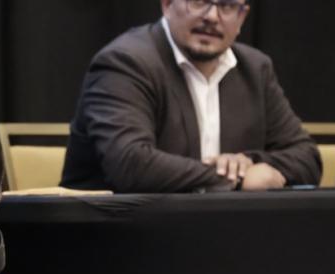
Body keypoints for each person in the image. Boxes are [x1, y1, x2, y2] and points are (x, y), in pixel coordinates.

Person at [60, 0, 321, 194]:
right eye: (199, 2)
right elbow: (131, 164)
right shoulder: (125, 62)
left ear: (242, 18)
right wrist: (238, 180)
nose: (212, 16)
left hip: (219, 238)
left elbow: (307, 158)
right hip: (118, 241)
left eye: (227, 6)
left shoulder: (254, 68)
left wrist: (247, 162)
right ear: (167, 4)